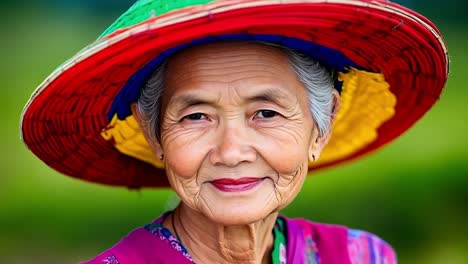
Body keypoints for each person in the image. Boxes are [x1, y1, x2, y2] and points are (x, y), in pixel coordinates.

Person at [20, 0, 448, 263]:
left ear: (321, 127)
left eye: (265, 113)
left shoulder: (362, 257)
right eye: (195, 117)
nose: (231, 151)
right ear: (155, 136)